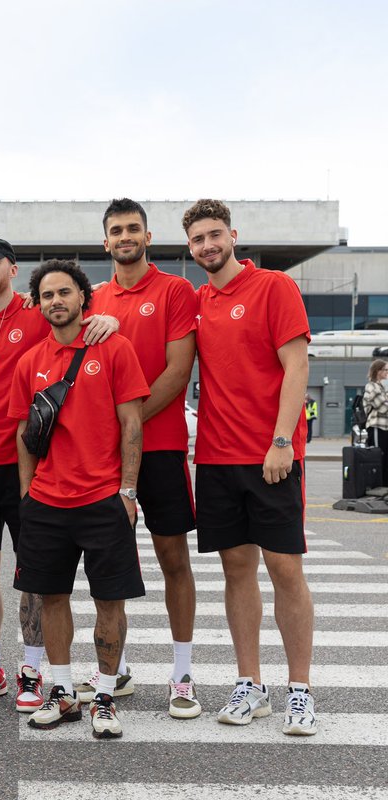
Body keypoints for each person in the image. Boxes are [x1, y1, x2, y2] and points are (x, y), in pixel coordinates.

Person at [0, 236, 119, 712]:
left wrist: (110, 319)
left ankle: (32, 670)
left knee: (35, 577)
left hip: (33, 466)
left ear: (12, 268)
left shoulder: (37, 312)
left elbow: (85, 321)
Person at [184, 198, 317, 736]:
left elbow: (297, 363)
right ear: (190, 248)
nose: (208, 245)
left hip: (272, 457)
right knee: (236, 570)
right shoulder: (197, 301)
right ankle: (250, 684)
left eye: (215, 234)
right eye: (198, 239)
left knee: (286, 570)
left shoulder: (274, 288)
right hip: (216, 457)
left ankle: (301, 691)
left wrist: (282, 440)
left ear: (233, 235)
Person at [10, 259, 148, 740]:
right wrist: (27, 493)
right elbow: (24, 432)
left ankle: (106, 696)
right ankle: (63, 691)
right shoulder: (28, 361)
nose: (55, 302)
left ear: (82, 297)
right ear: (39, 302)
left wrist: (127, 491)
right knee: (52, 598)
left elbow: (132, 423)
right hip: (46, 502)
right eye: (47, 295)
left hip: (103, 497)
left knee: (110, 601)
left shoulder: (114, 348)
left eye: (64, 293)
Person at [84, 199, 202, 718]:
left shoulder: (175, 291)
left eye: (133, 228)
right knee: (108, 565)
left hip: (162, 448)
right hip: (105, 460)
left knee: (173, 560)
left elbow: (178, 372)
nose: (125, 236)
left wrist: (124, 423)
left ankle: (182, 675)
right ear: (105, 241)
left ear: (148, 237)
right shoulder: (92, 298)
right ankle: (118, 669)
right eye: (116, 230)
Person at [363, 361, 388, 475]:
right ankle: (378, 485)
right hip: (377, 426)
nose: (387, 372)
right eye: (385, 370)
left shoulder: (381, 387)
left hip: (385, 427)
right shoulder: (371, 386)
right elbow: (383, 407)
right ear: (378, 371)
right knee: (379, 456)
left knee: (385, 458)